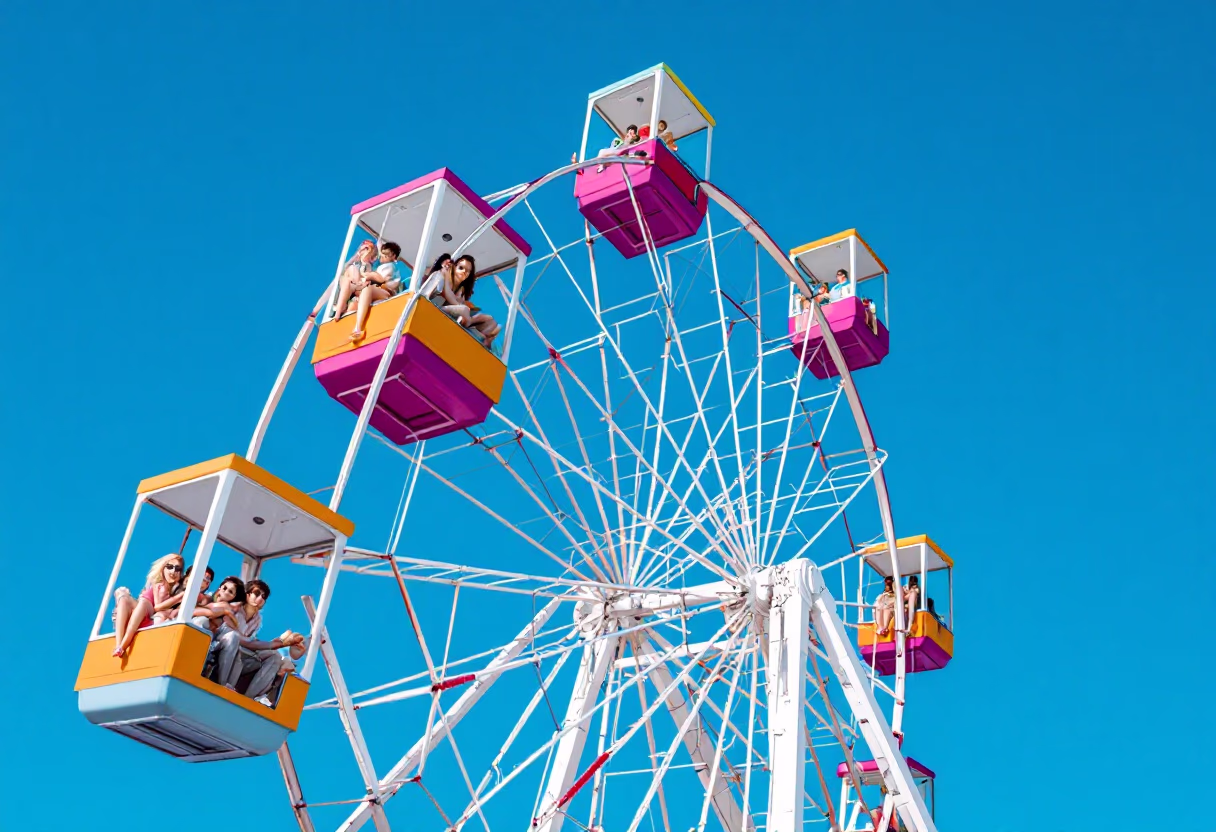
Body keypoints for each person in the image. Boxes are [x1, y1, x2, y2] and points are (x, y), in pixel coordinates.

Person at [212, 579, 305, 705]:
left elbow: (250, 643)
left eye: (264, 596)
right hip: (220, 649)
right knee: (233, 637)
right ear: (247, 594)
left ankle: (249, 699)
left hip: (240, 654)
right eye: (257, 593)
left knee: (275, 656)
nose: (260, 598)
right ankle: (223, 685)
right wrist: (276, 644)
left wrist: (279, 643)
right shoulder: (233, 608)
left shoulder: (257, 619)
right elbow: (241, 640)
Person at [111, 553, 185, 657]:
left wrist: (178, 596)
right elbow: (157, 605)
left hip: (149, 613)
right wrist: (177, 597)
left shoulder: (177, 589)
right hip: (144, 607)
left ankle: (122, 646)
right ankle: (119, 644)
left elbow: (157, 608)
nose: (173, 571)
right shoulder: (158, 583)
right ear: (163, 568)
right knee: (124, 598)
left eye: (177, 569)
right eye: (169, 567)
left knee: (142, 603)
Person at [347, 241, 403, 343]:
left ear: (393, 256)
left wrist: (367, 275)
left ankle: (358, 328)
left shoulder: (391, 267)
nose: (382, 258)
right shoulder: (381, 266)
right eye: (382, 255)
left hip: (386, 293)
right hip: (376, 290)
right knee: (354, 304)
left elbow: (380, 278)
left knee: (367, 288)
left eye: (385, 256)